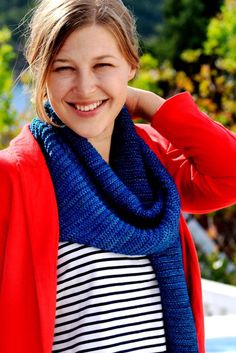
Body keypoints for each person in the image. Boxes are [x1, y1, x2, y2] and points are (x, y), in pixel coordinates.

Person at [0, 1, 236, 352]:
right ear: (40, 69)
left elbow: (228, 174)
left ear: (131, 64)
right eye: (64, 68)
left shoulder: (153, 158)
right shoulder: (14, 176)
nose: (85, 87)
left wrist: (151, 106)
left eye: (103, 65)